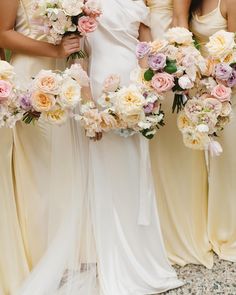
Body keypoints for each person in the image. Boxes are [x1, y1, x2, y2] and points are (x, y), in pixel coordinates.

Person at [86, 0, 183, 293]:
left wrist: (145, 90)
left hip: (132, 86)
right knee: (107, 168)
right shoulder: (80, 4)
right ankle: (112, 254)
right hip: (99, 82)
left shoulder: (137, 3)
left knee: (134, 168)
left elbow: (146, 49)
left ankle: (143, 254)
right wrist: (89, 105)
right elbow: (75, 53)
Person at [0, 0, 80, 292]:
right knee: (37, 173)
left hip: (61, 76)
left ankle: (63, 254)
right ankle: (40, 258)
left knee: (63, 166)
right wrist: (55, 50)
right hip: (29, 81)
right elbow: (3, 33)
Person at [147, 0, 213, 268]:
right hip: (145, 50)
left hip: (168, 52)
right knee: (157, 147)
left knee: (176, 142)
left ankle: (186, 231)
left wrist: (182, 63)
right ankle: (158, 233)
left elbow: (179, 16)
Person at [190, 0, 236, 262]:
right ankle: (210, 227)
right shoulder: (195, 3)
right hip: (201, 90)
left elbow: (235, 51)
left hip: (227, 91)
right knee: (209, 165)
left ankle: (228, 231)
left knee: (228, 162)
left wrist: (221, 90)